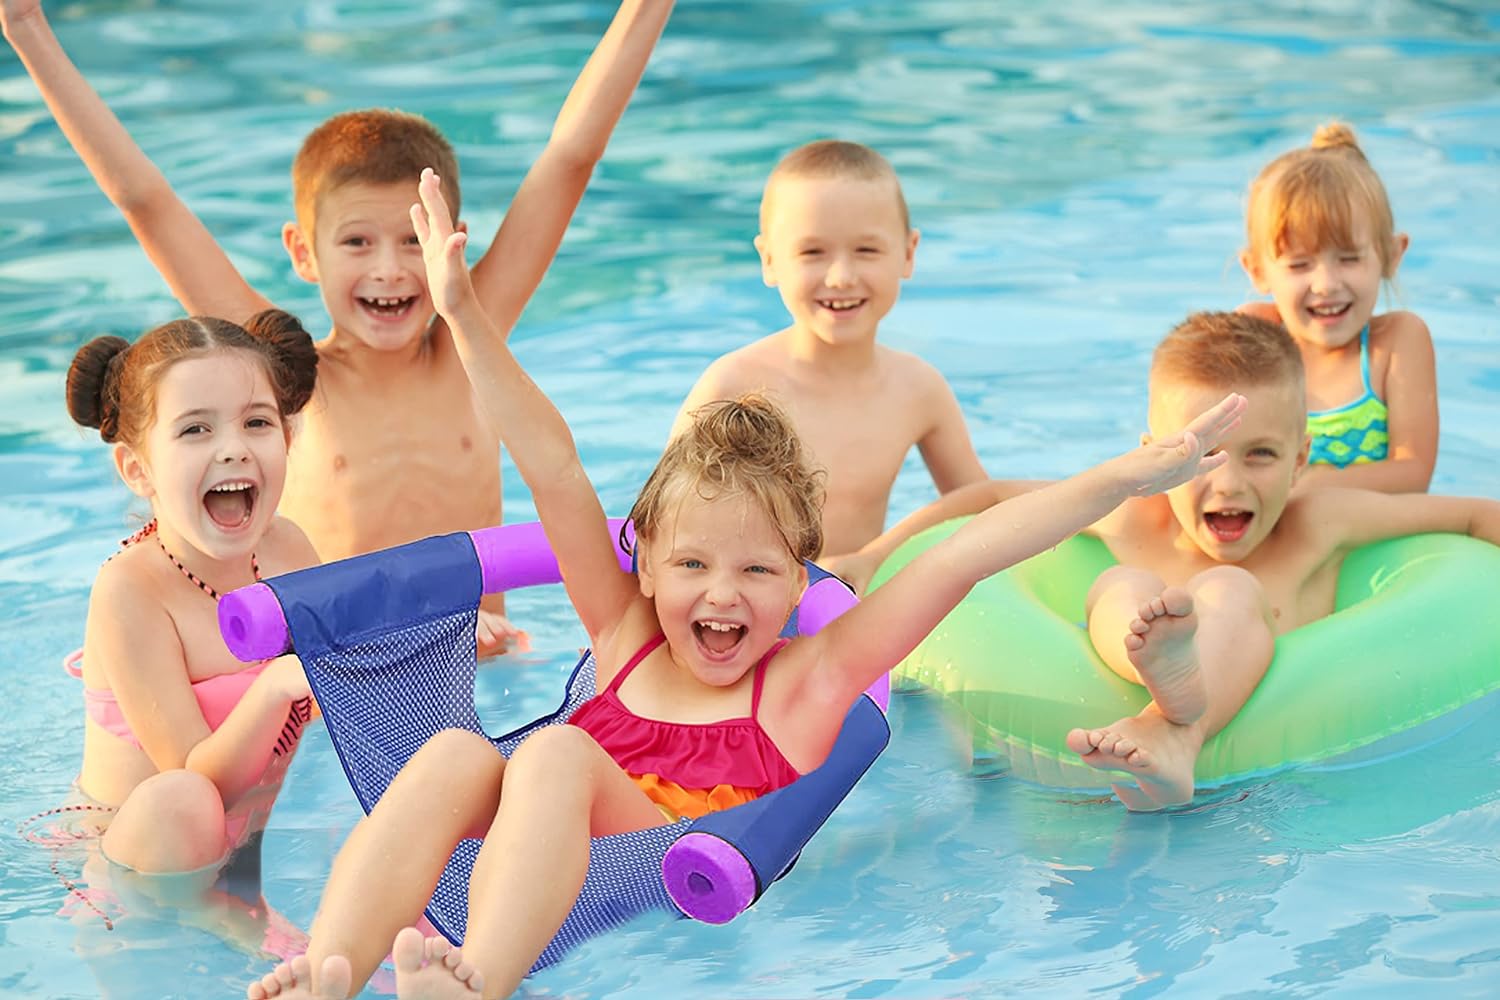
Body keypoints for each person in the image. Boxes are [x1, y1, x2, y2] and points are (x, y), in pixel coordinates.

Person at [240, 170, 1245, 1000]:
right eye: (689, 566)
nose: (719, 596)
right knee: (459, 750)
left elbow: (964, 551)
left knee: (547, 755)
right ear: (649, 562)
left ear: (801, 575)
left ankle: (481, 984)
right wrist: (459, 311)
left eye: (758, 570)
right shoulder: (627, 631)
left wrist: (1130, 473)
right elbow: (549, 461)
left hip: (648, 861)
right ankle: (331, 968)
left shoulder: (811, 677)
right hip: (535, 849)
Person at [2, 0, 674, 655]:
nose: (390, 269)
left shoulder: (473, 340)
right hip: (346, 692)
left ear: (452, 242)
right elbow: (147, 202)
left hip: (490, 665)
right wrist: (26, 25)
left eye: (414, 240)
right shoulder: (280, 377)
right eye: (356, 242)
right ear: (303, 253)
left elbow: (570, 158)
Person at [837, 312, 1500, 812]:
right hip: (1149, 762)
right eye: (1199, 454)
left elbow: (1474, 517)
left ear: (1302, 460)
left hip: (1264, 775)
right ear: (1156, 457)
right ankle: (1158, 670)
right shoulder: (1125, 511)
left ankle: (1173, 723)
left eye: (1261, 455)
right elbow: (985, 500)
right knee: (1119, 585)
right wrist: (872, 557)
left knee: (1229, 591)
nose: (1229, 482)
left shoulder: (1320, 522)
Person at [59, 310, 320, 896]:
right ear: (138, 468)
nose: (233, 449)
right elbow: (200, 780)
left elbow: (350, 693)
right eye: (195, 430)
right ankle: (231, 926)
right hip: (149, 864)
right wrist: (276, 685)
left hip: (262, 834)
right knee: (181, 800)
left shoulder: (289, 547)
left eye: (256, 422)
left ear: (288, 436)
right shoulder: (132, 589)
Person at [670, 139, 987, 563]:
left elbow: (980, 509)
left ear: (908, 254)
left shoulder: (918, 388)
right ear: (770, 261)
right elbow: (666, 526)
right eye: (812, 252)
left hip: (858, 603)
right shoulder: (733, 385)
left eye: (867, 251)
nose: (840, 277)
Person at [1238, 121, 1437, 493]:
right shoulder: (1255, 338)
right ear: (1257, 270)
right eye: (1299, 264)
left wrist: (1312, 486)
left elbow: (1413, 472)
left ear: (1392, 256)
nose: (1327, 284)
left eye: (1349, 259)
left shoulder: (1395, 345)